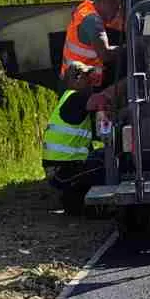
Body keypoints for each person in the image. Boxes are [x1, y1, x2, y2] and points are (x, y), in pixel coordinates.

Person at [42, 63, 107, 213]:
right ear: (77, 78)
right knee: (105, 163)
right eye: (87, 78)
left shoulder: (68, 98)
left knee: (99, 156)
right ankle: (97, 206)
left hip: (60, 169)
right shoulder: (77, 98)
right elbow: (98, 101)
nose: (91, 82)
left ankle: (76, 200)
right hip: (63, 171)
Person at [61, 0, 122, 90]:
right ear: (106, 3)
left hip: (73, 79)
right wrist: (130, 47)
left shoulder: (86, 8)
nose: (116, 14)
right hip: (77, 84)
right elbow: (105, 54)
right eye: (115, 9)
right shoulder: (93, 21)